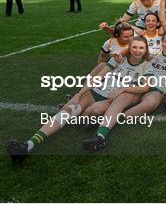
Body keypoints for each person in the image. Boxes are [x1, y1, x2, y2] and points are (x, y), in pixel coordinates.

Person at [6, 37, 150, 162]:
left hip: (110, 99)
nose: (138, 50)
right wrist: (79, 94)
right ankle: (28, 145)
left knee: (92, 112)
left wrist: (122, 89)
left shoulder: (146, 66)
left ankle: (95, 128)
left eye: (141, 48)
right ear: (129, 48)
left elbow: (145, 88)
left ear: (146, 50)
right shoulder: (118, 59)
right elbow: (97, 78)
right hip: (95, 93)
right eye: (135, 47)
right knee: (69, 110)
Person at [82, 31, 166, 150]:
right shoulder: (153, 54)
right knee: (118, 91)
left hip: (156, 88)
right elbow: (131, 51)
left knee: (150, 103)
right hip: (137, 83)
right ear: (162, 43)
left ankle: (106, 123)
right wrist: (119, 54)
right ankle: (99, 134)